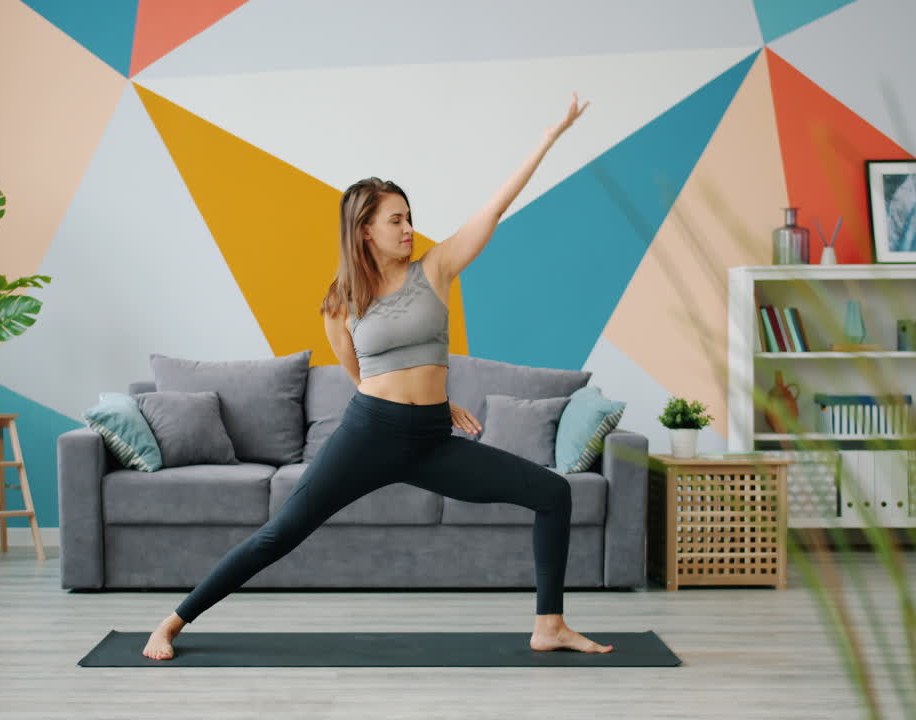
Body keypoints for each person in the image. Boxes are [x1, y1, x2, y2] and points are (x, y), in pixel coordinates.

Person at [144, 92, 612, 660]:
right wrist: (403, 403)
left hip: (430, 441)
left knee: (552, 492)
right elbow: (360, 374)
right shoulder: (340, 303)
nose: (409, 228)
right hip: (370, 434)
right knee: (280, 535)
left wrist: (549, 136)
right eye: (396, 220)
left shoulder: (436, 270)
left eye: (410, 217)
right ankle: (171, 622)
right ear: (365, 230)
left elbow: (493, 209)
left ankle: (550, 624)